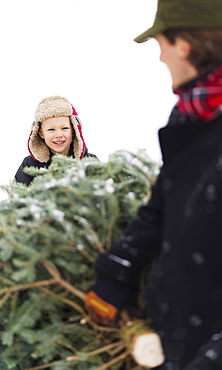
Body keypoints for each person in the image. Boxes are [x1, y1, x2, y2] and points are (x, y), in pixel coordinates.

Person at [85, 0, 222, 369]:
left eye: (161, 43)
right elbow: (161, 208)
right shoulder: (189, 118)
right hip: (178, 335)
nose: (160, 57)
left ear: (183, 45)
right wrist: (115, 274)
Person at [15, 95, 97, 185]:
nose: (58, 135)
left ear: (74, 131)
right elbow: (16, 194)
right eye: (51, 130)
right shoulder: (29, 166)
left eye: (64, 128)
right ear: (41, 133)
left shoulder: (89, 162)